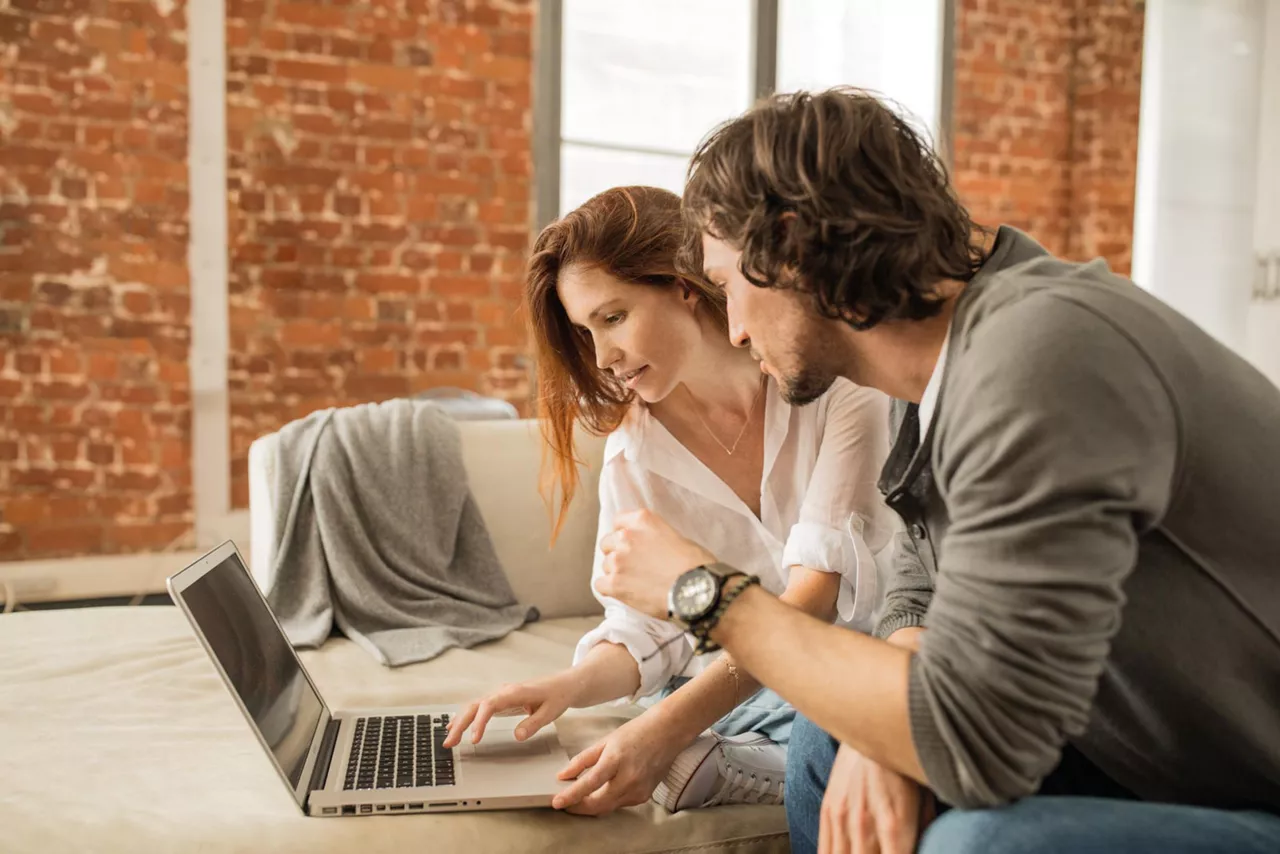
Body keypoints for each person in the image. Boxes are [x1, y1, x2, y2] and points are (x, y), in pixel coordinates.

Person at [583, 89, 1280, 853]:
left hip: (1249, 781)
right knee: (827, 737)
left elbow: (978, 742)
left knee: (977, 846)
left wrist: (704, 593)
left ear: (788, 245)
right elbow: (919, 572)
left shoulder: (1044, 357)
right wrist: (892, 722)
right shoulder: (942, 373)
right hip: (1157, 755)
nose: (736, 326)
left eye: (728, 288)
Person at [441, 186, 898, 815]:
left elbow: (813, 604)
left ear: (685, 284)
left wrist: (665, 731)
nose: (603, 358)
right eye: (585, 331)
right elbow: (647, 632)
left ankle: (761, 764)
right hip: (751, 684)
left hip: (861, 659)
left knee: (829, 704)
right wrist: (569, 687)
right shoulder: (635, 451)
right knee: (704, 700)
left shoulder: (834, 386)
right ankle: (749, 755)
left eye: (613, 317)